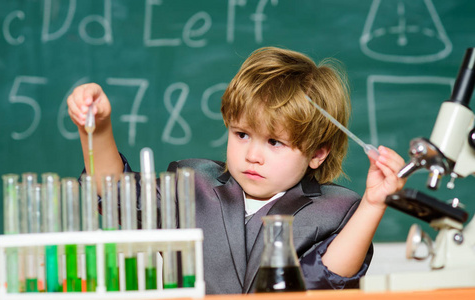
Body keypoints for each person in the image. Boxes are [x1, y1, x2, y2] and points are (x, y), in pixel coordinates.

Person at [67, 47, 406, 294]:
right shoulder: (192, 182)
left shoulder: (336, 211)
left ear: (317, 152)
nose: (253, 155)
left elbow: (327, 277)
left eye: (274, 142)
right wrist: (95, 130)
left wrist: (373, 205)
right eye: (242, 134)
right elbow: (114, 194)